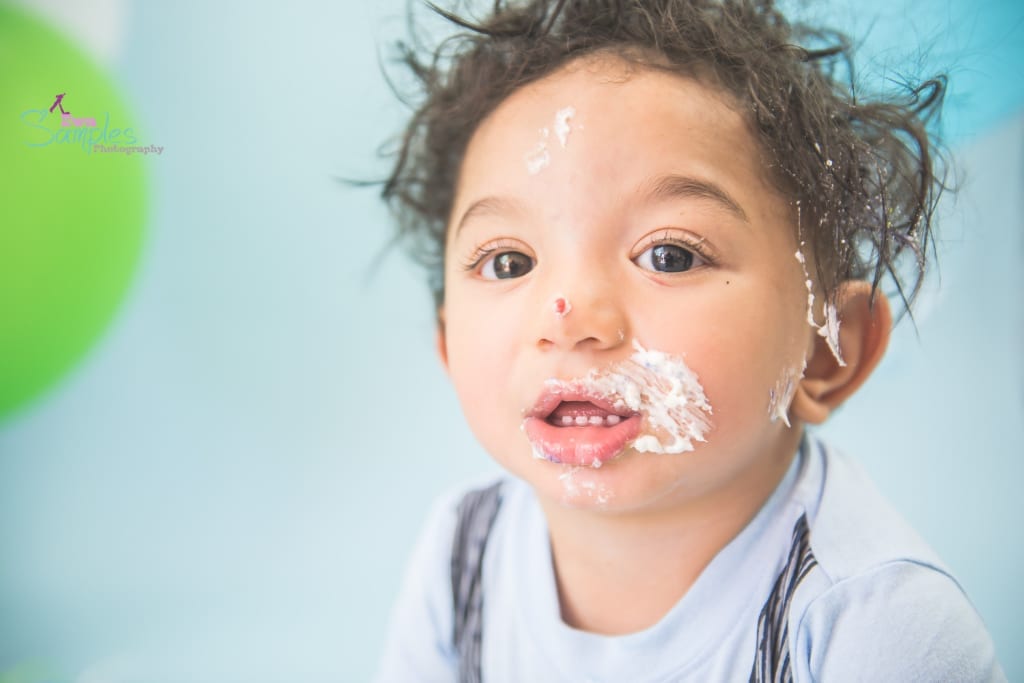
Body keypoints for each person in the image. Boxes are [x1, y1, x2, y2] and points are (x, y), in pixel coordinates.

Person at [372, 0, 1005, 680]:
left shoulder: (879, 627)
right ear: (446, 344)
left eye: (670, 254)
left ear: (826, 351)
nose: (569, 315)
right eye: (508, 262)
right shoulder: (464, 555)